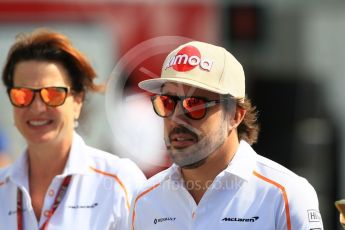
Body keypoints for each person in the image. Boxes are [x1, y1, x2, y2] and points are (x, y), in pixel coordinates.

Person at [129, 41, 324, 229]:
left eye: (195, 104)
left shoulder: (285, 195)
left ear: (236, 115)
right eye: (168, 102)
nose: (177, 118)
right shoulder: (145, 199)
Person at [0, 29, 146, 229]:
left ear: (78, 101)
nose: (37, 107)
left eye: (52, 94)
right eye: (23, 95)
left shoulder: (119, 181)